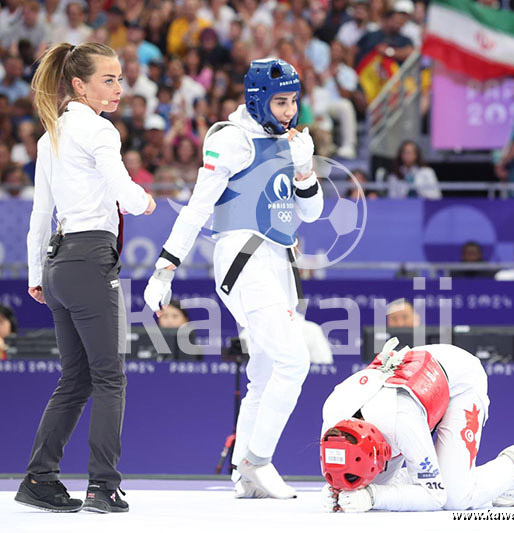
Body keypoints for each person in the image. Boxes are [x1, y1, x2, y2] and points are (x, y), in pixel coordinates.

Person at [144, 58, 323, 499]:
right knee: (293, 360)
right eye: (281, 101)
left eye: (294, 101)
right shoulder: (231, 139)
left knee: (264, 373)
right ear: (259, 98)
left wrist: (305, 169)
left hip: (280, 263)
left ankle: (244, 474)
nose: (289, 111)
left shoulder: (291, 141)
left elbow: (312, 213)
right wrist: (165, 266)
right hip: (243, 259)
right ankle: (257, 461)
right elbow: (198, 207)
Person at [16, 42, 156, 514]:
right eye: (108, 79)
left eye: (119, 78)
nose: (119, 88)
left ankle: (40, 478)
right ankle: (103, 485)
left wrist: (37, 273)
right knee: (109, 377)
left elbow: (39, 215)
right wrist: (143, 201)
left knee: (74, 380)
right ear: (80, 85)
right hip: (90, 258)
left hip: (58, 265)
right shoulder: (99, 131)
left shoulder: (49, 134)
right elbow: (121, 189)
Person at [320, 338, 514, 512]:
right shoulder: (333, 416)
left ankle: (510, 467)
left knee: (456, 497)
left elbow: (435, 496)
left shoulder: (401, 423)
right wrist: (337, 487)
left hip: (460, 380)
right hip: (414, 378)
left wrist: (373, 495)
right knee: (374, 486)